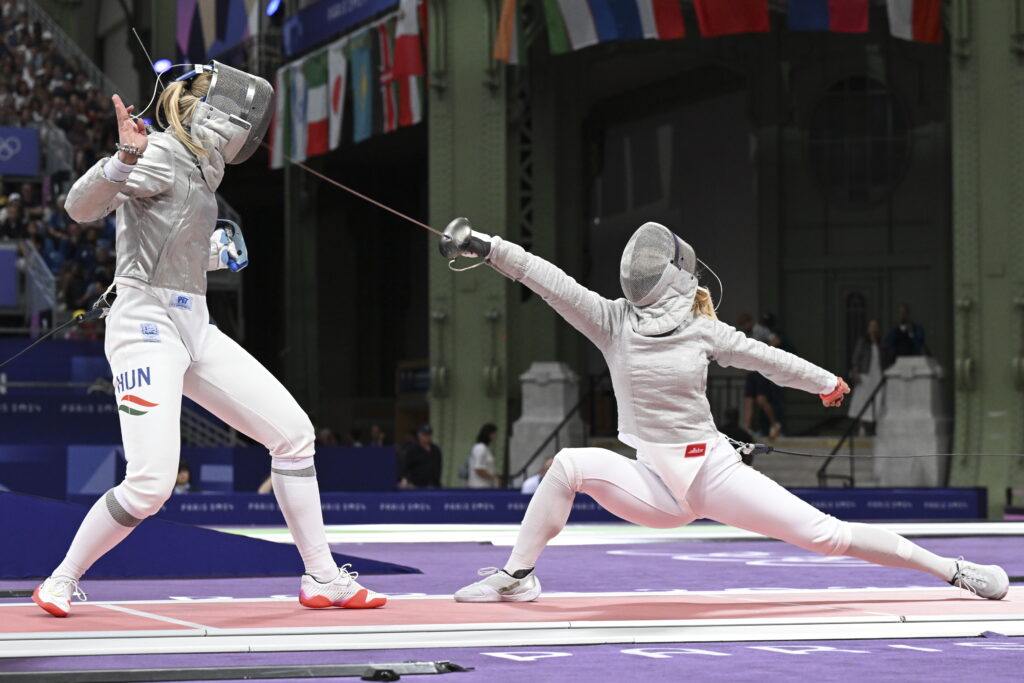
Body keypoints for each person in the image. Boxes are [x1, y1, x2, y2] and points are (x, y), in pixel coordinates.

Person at [441, 219, 1008, 603]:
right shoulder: (611, 321)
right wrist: (486, 247)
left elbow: (766, 358)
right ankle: (518, 576)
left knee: (828, 537)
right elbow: (546, 279)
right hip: (656, 485)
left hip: (712, 473)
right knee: (566, 464)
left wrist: (827, 383)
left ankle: (953, 571)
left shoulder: (701, 329)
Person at [31, 63, 386, 618]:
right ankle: (61, 578)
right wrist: (123, 158)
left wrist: (214, 253)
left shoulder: (200, 170)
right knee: (150, 485)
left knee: (293, 435)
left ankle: (322, 577)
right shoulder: (163, 154)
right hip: (145, 325)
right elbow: (79, 208)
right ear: (213, 115)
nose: (250, 128)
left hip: (194, 323)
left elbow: (170, 242)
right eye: (245, 117)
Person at [848, 319, 885, 432]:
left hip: (877, 374)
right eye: (871, 326)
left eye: (875, 326)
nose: (873, 329)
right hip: (865, 374)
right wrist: (855, 372)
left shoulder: (880, 343)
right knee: (862, 399)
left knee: (878, 398)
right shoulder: (863, 341)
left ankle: (877, 425)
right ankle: (861, 426)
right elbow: (856, 358)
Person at [400, 424, 442, 488]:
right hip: (417, 485)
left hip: (434, 484)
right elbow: (405, 467)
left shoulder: (436, 450)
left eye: (429, 435)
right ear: (419, 435)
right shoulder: (412, 450)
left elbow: (438, 466)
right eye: (424, 435)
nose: (427, 437)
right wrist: (405, 479)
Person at [468, 423, 501, 489]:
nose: (496, 436)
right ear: (489, 434)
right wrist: (493, 477)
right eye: (494, 433)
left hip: (486, 486)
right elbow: (478, 469)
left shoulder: (486, 448)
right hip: (479, 486)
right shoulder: (480, 448)